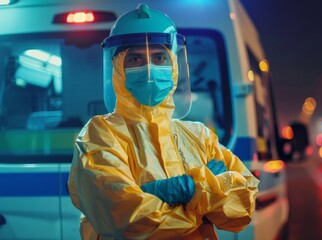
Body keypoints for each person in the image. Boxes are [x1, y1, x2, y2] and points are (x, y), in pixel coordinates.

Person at [68, 3, 259, 240]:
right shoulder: (100, 134)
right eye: (136, 58)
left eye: (159, 57)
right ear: (118, 68)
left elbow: (243, 204)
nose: (149, 70)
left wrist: (170, 193)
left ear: (174, 66)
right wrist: (202, 198)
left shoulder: (199, 136)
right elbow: (125, 217)